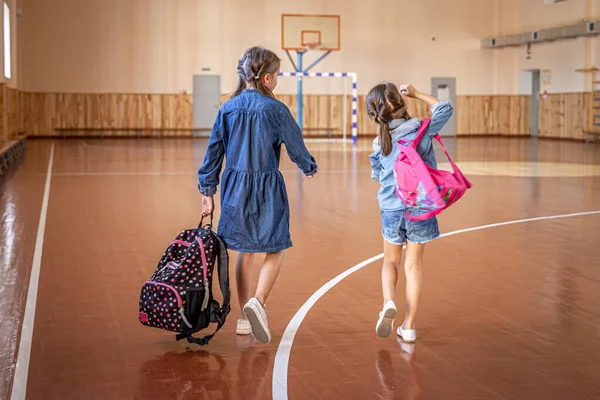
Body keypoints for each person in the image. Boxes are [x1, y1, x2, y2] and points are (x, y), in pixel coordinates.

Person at [197, 46, 317, 344]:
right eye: (276, 75)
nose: (277, 79)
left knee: (243, 251)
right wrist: (308, 166)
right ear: (266, 78)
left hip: (234, 187)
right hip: (267, 186)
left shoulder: (227, 108)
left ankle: (241, 318)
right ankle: (258, 302)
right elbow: (295, 144)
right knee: (276, 246)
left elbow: (213, 151)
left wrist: (207, 191)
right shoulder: (276, 109)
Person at [367, 82, 453, 342]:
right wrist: (416, 93)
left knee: (390, 261)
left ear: (376, 114)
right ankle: (409, 326)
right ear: (402, 104)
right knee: (413, 267)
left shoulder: (379, 142)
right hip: (420, 208)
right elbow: (444, 108)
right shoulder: (422, 130)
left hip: (392, 209)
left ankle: (388, 302)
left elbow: (377, 175)